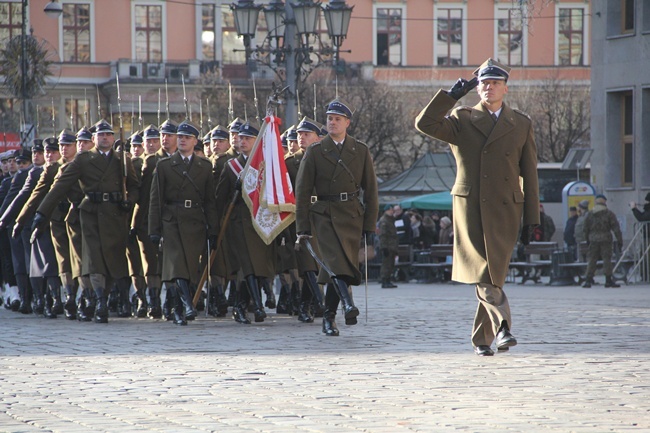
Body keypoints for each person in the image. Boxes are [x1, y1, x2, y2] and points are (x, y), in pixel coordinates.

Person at [415, 57, 540, 356]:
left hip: (506, 209)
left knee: (492, 275)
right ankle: (503, 328)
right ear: (478, 89)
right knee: (485, 272)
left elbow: (530, 173)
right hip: (471, 208)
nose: (489, 87)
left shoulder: (521, 123)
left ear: (505, 88)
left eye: (495, 82)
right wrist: (451, 95)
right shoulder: (462, 119)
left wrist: (531, 219)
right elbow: (425, 124)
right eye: (484, 83)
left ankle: (481, 340)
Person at [33, 119, 140, 323]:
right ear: (94, 139)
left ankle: (103, 298)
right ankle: (99, 301)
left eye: (108, 135)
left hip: (115, 215)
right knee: (94, 260)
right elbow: (60, 187)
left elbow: (135, 187)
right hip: (91, 214)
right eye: (101, 135)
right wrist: (42, 212)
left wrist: (130, 200)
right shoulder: (83, 160)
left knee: (112, 261)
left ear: (114, 138)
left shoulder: (123, 160)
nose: (105, 138)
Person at [295, 98, 379, 337]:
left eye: (337, 119)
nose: (332, 122)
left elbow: (371, 190)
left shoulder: (360, 150)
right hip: (324, 215)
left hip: (351, 215)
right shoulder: (315, 151)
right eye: (330, 118)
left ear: (347, 123)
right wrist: (302, 227)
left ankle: (328, 317)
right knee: (334, 263)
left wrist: (370, 225)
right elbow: (302, 193)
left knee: (340, 268)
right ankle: (347, 305)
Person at [149, 120, 218, 326]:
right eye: (179, 137)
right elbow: (156, 200)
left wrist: (213, 229)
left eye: (186, 138)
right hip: (172, 220)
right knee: (177, 263)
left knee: (189, 266)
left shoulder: (204, 166)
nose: (182, 141)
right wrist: (154, 229)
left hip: (195, 221)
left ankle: (177, 305)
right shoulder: (164, 166)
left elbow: (209, 201)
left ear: (195, 141)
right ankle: (184, 306)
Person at [582, 194, 623, 288]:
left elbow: (585, 228)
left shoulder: (590, 214)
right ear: (604, 202)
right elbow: (616, 228)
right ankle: (608, 280)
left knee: (592, 259)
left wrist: (587, 239)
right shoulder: (609, 213)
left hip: (593, 239)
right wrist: (620, 241)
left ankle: (588, 280)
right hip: (606, 239)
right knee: (607, 259)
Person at [377, 204, 398, 288]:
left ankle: (388, 280)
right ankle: (384, 280)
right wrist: (384, 247)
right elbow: (383, 235)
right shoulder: (384, 221)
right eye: (390, 210)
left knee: (390, 264)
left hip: (392, 245)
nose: (392, 211)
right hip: (387, 246)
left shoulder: (390, 220)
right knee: (386, 264)